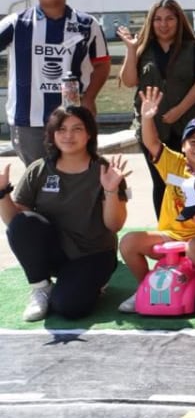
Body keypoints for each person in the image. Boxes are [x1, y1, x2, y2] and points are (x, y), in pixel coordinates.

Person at [0, 106, 129, 321]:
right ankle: (41, 288)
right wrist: (2, 194)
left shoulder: (106, 170)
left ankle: (93, 283)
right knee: (24, 222)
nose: (68, 135)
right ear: (52, 134)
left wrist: (111, 190)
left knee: (69, 307)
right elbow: (16, 225)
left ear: (89, 134)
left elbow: (114, 225)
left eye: (77, 129)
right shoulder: (39, 169)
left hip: (93, 254)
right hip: (56, 253)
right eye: (61, 129)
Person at [117, 87, 195, 313]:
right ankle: (144, 287)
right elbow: (152, 143)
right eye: (194, 142)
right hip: (171, 234)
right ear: (184, 145)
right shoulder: (174, 163)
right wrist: (147, 117)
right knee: (128, 242)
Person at [0, 0, 111, 167]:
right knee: (39, 177)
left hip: (74, 117)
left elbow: (102, 64)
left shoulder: (87, 24)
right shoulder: (17, 23)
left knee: (79, 173)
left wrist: (89, 98)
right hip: (29, 120)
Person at [117, 0, 195, 215]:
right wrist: (131, 49)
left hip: (186, 126)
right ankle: (165, 227)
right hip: (153, 128)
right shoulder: (143, 49)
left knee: (187, 180)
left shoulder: (191, 47)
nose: (164, 24)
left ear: (179, 21)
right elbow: (129, 81)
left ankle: (191, 226)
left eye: (169, 19)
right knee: (161, 181)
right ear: (151, 22)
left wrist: (179, 110)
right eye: (158, 19)